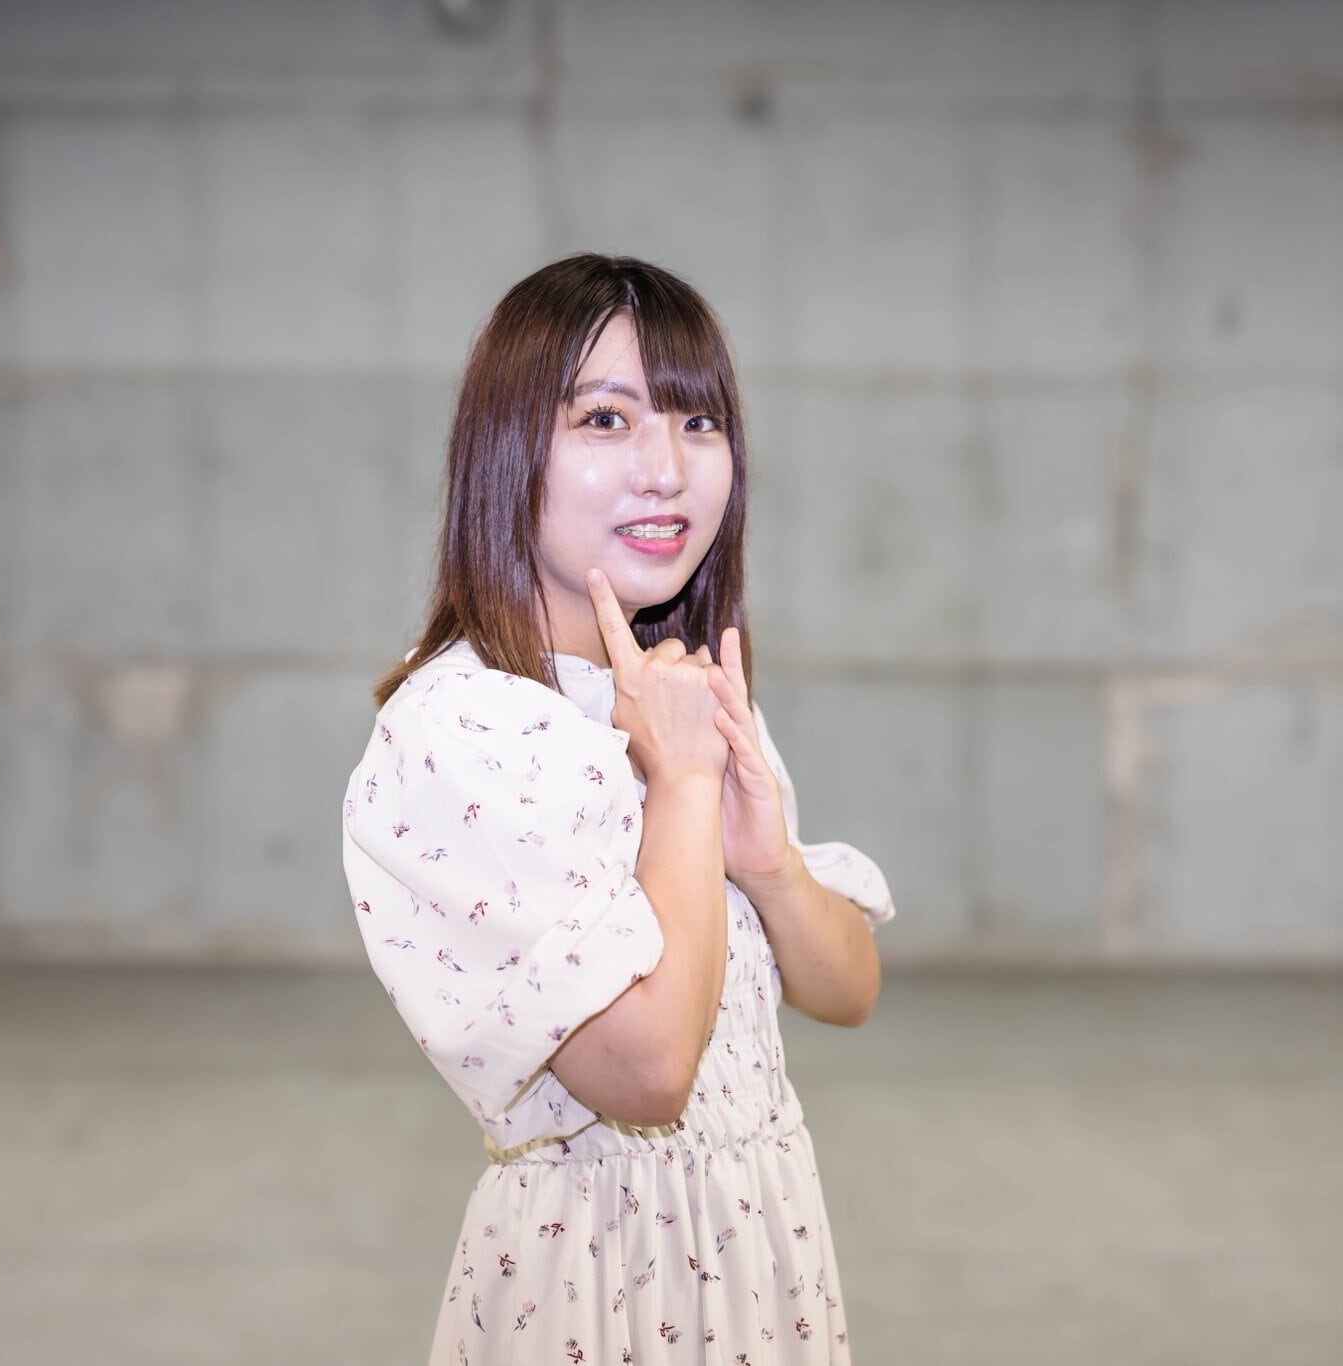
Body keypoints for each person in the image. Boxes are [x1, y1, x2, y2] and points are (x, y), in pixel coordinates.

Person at [340, 254, 894, 1363]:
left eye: (699, 423)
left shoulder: (674, 688)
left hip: (761, 1248)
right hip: (598, 1281)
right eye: (605, 419)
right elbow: (644, 1075)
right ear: (508, 451)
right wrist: (682, 788)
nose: (666, 470)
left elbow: (847, 992)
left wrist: (769, 864)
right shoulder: (461, 728)